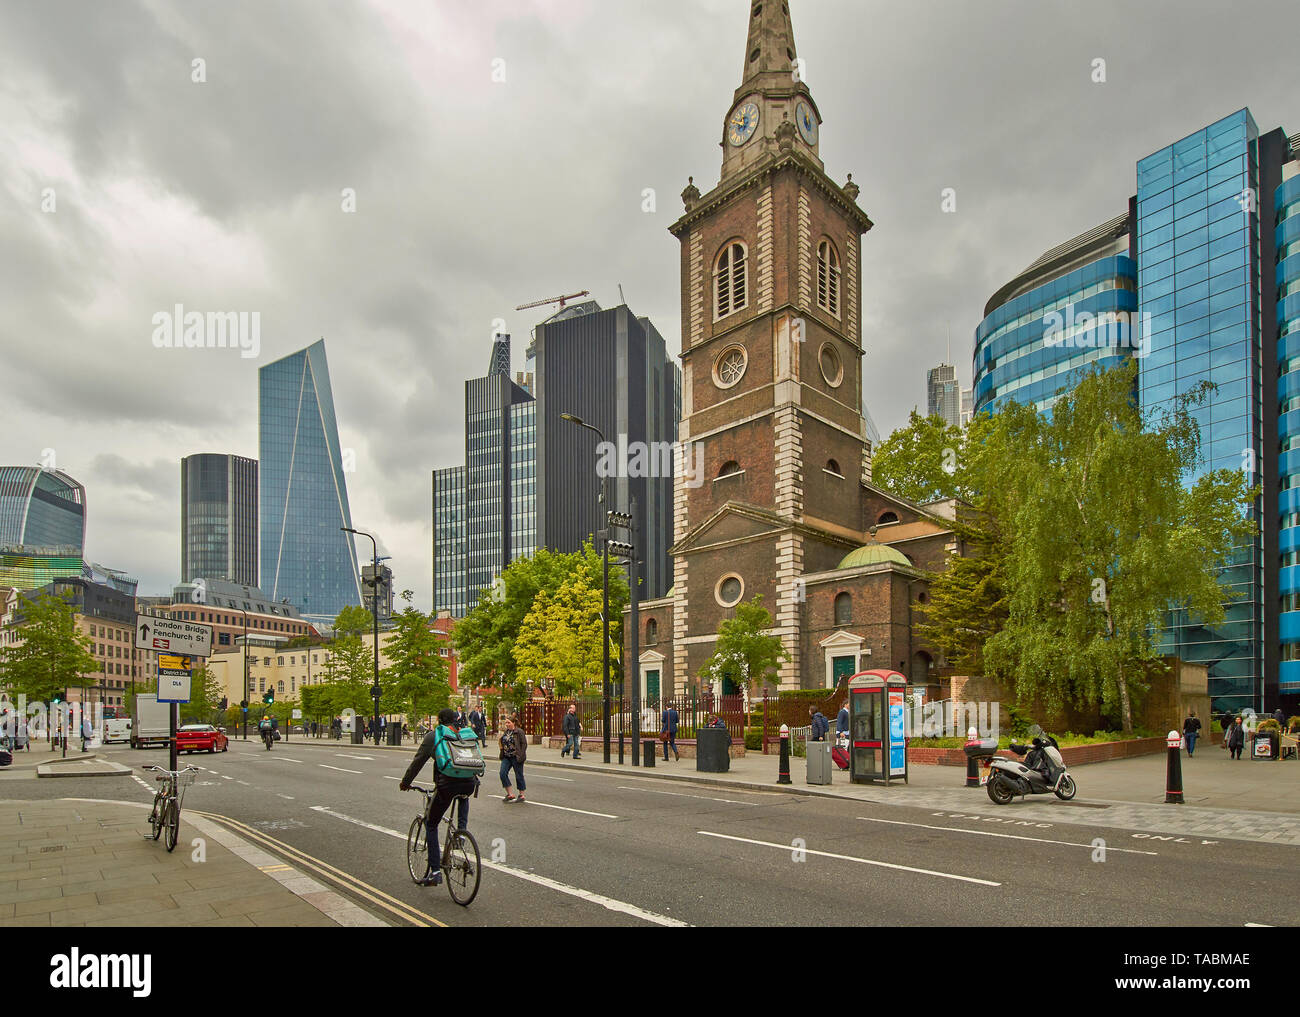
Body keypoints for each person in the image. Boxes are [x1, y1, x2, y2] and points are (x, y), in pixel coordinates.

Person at [399, 708, 478, 887]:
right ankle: (461, 833)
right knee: (463, 796)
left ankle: (435, 872)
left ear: (439, 721)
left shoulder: (434, 736)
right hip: (469, 782)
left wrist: (405, 783)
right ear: (456, 719)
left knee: (431, 823)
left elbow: (417, 763)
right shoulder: (463, 734)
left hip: (447, 785)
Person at [499, 716, 527, 803]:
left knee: (519, 775)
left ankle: (521, 794)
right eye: (506, 723)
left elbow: (524, 744)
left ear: (513, 723)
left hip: (516, 756)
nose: (507, 724)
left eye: (508, 722)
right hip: (507, 756)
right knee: (502, 773)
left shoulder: (519, 732)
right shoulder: (506, 732)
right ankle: (510, 794)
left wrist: (521, 755)